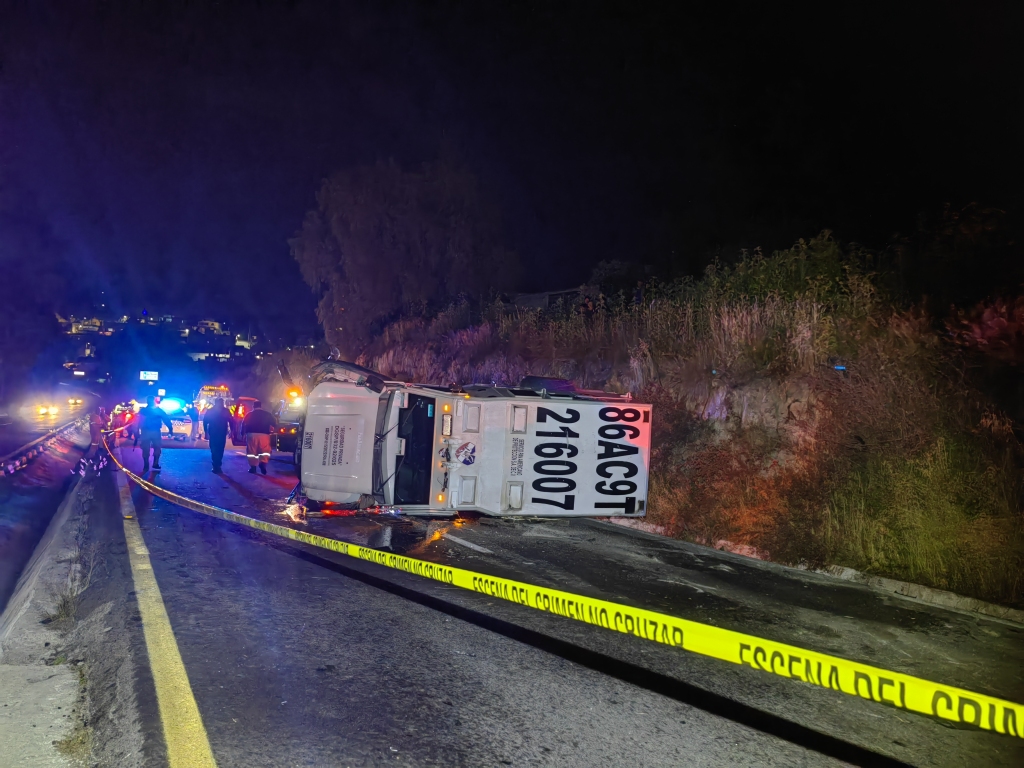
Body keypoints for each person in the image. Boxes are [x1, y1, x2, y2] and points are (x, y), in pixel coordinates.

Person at [241, 399, 277, 475]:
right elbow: (274, 423)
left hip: (251, 435)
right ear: (261, 406)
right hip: (264, 435)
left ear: (253, 406)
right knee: (264, 451)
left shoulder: (249, 414)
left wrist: (242, 434)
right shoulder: (267, 414)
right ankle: (263, 463)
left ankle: (253, 468)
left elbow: (243, 424)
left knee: (251, 451)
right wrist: (274, 430)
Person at [138, 396, 173, 472]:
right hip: (155, 432)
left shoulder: (143, 411)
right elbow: (166, 420)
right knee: (157, 448)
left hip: (145, 432)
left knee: (145, 449)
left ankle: (146, 465)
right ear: (154, 401)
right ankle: (155, 464)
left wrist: (136, 431)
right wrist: (170, 430)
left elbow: (138, 421)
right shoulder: (158, 410)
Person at [203, 398, 231, 474]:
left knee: (214, 448)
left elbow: (205, 421)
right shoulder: (226, 411)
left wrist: (206, 432)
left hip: (214, 433)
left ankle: (216, 465)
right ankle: (217, 465)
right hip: (221, 433)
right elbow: (232, 421)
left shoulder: (211, 411)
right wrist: (232, 431)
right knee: (220, 449)